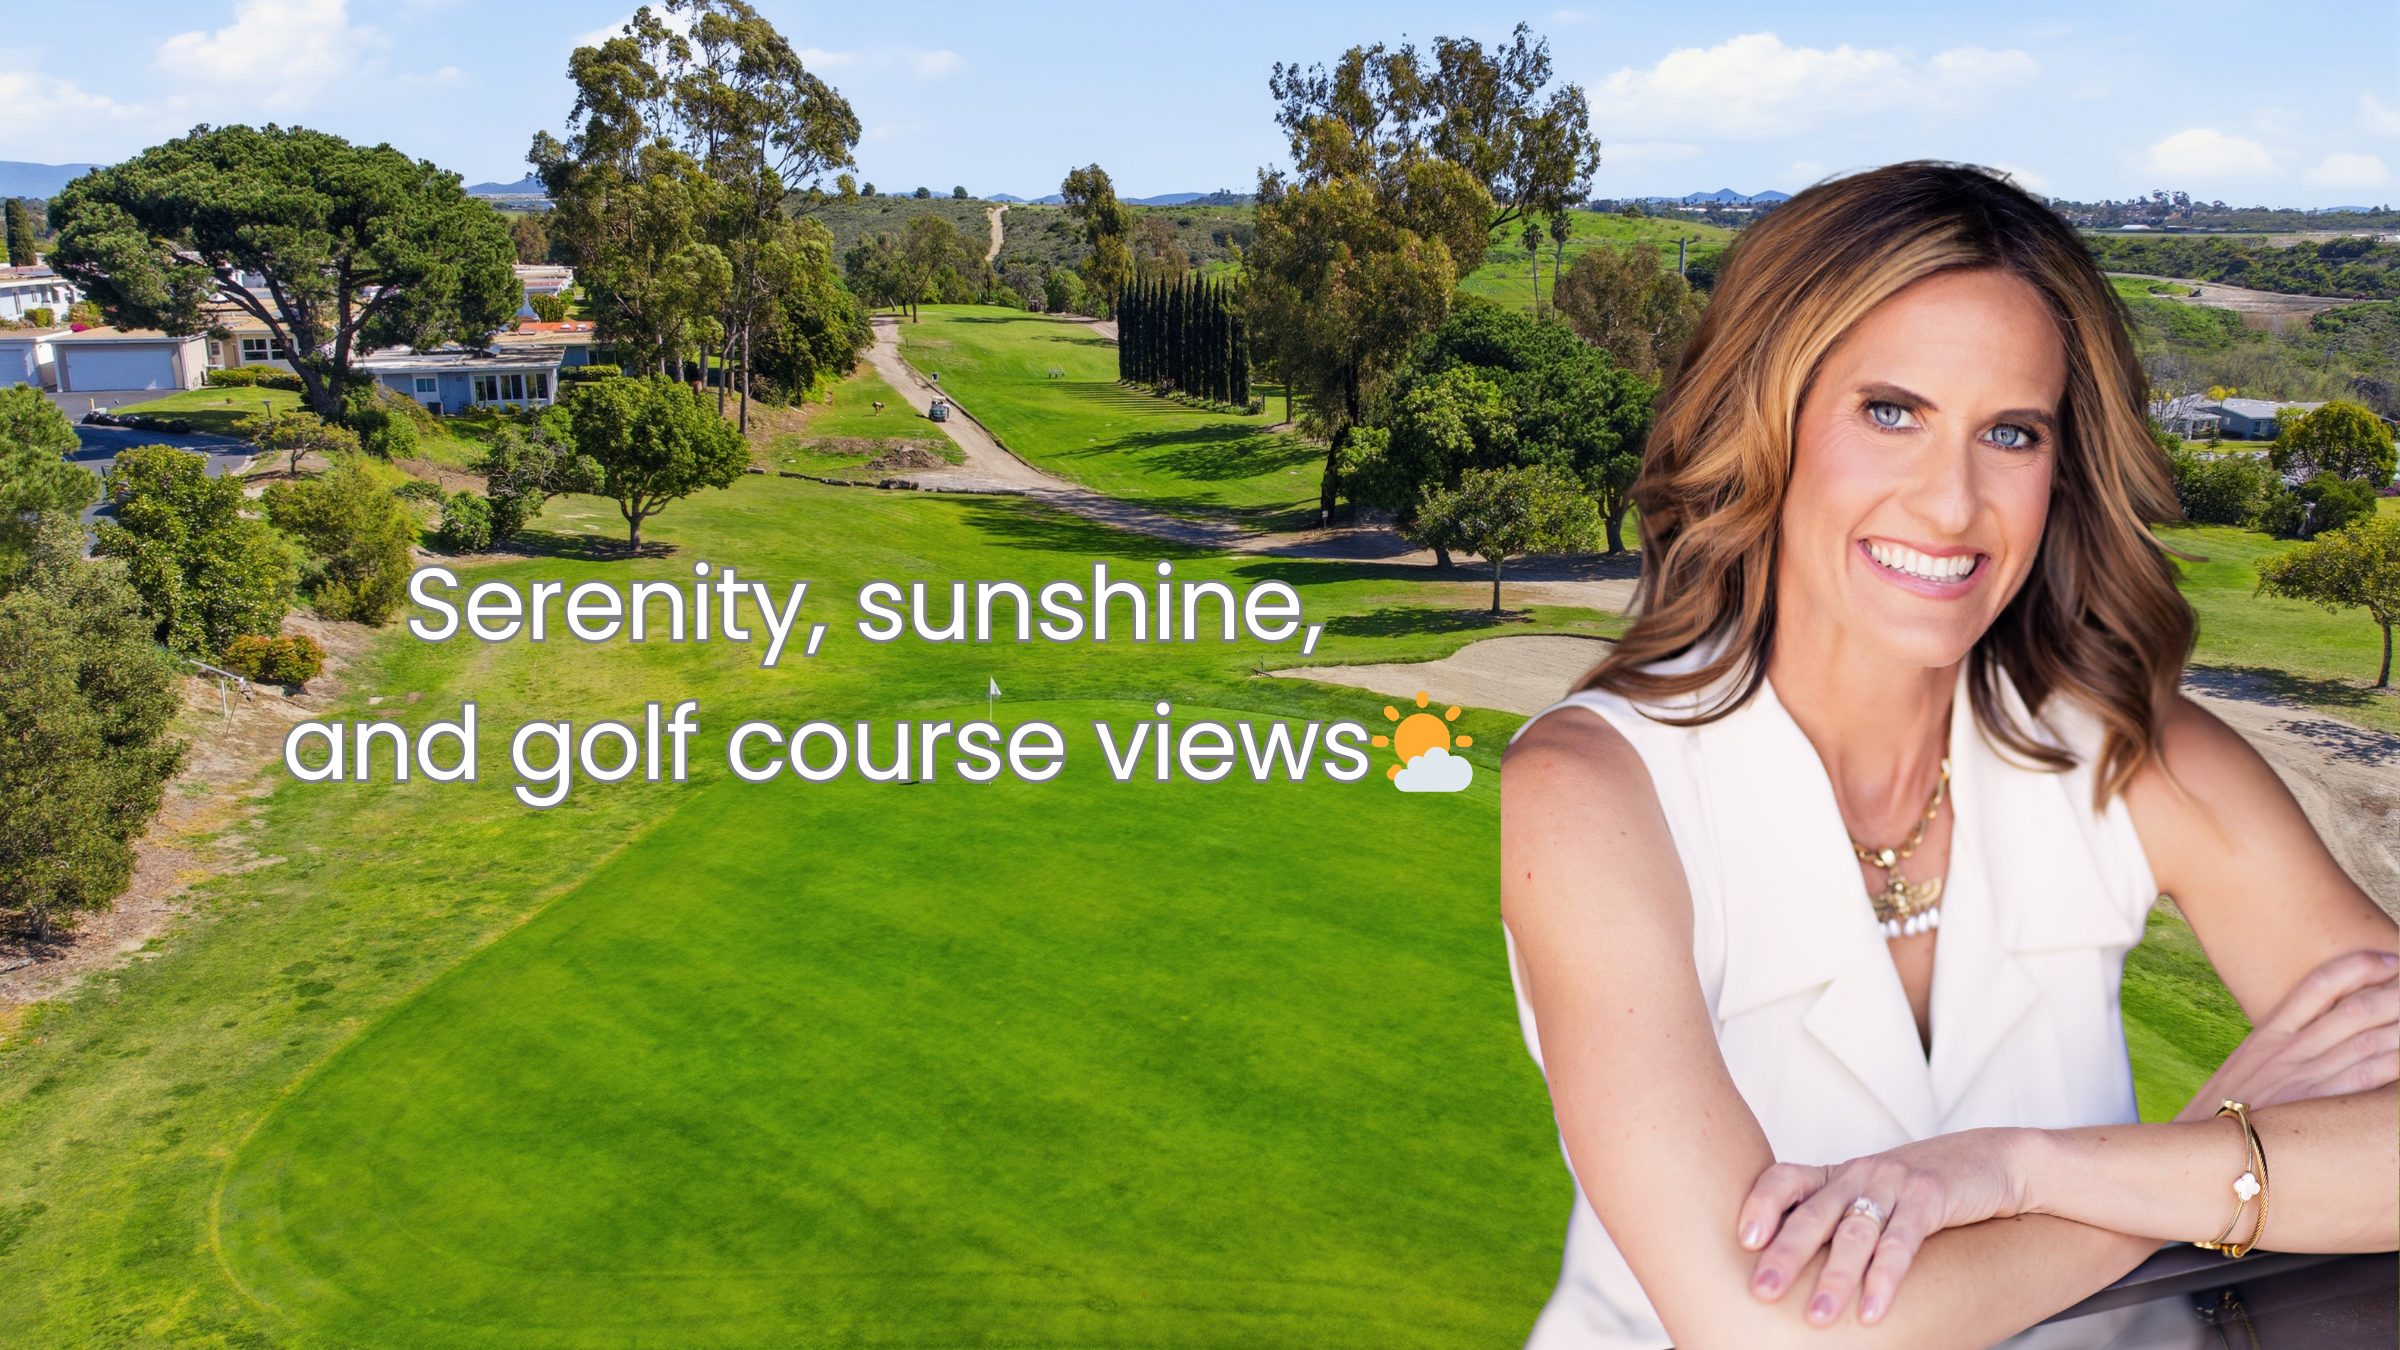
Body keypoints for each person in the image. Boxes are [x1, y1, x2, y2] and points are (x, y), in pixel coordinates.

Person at [1498, 160, 2398, 1350]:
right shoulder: (1589, 793)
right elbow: (1777, 1332)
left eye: (2011, 433)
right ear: (1765, 421)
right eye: (1890, 413)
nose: (1954, 504)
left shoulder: (2139, 747)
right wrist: (2183, 1174)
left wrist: (2022, 1168)